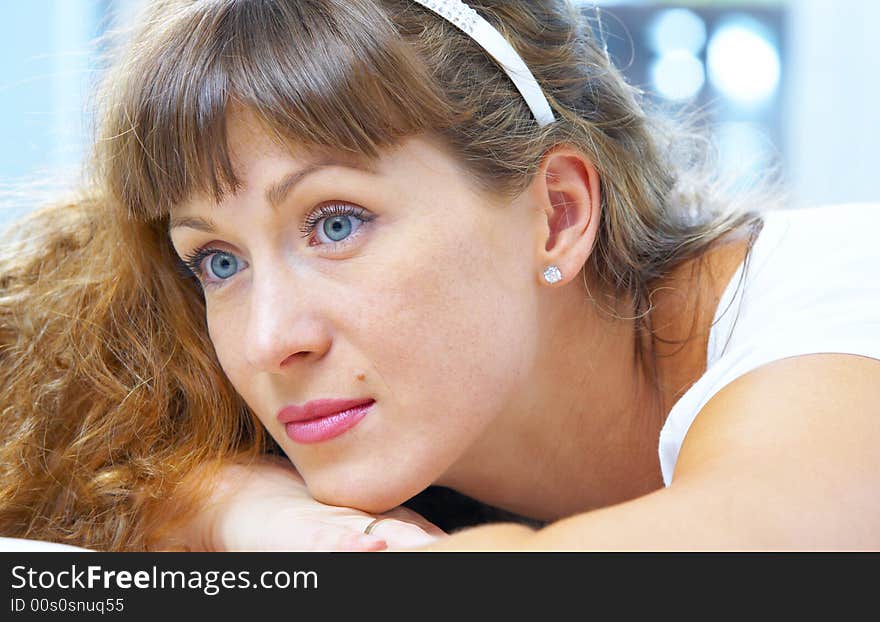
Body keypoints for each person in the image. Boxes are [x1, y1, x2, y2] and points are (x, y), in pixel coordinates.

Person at [1, 0, 877, 552]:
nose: (271, 340)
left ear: (559, 213)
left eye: (335, 222)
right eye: (218, 260)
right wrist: (242, 509)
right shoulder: (408, 399)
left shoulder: (834, 313)